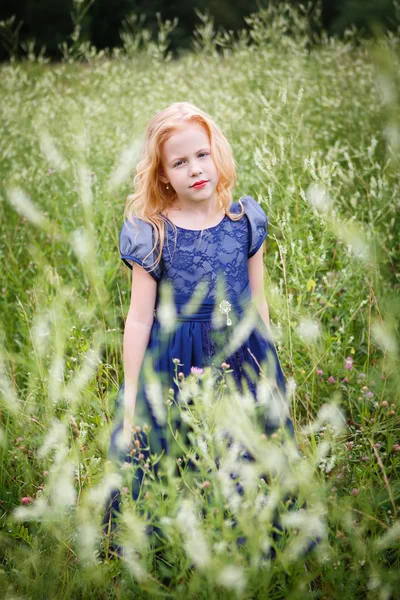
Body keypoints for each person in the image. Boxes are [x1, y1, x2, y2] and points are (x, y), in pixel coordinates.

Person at [103, 101, 295, 548]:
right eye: (180, 162)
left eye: (202, 155)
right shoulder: (152, 233)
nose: (195, 169)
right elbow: (138, 319)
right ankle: (169, 545)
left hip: (242, 354)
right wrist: (131, 396)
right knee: (169, 455)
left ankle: (247, 536)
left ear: (217, 154)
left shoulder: (244, 221)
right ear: (162, 174)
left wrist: (271, 367)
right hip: (176, 359)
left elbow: (258, 302)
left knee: (243, 450)